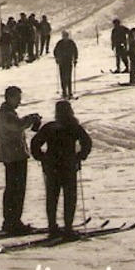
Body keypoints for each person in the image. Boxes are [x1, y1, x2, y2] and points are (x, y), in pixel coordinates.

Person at [30, 99, 92, 238]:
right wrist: (80, 156)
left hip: (52, 165)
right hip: (68, 165)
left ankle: (52, 227)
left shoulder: (50, 127)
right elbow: (87, 143)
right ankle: (68, 228)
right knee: (70, 197)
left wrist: (42, 157)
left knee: (52, 197)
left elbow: (35, 143)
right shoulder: (74, 126)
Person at [0, 87, 43, 235]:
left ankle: (12, 220)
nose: (19, 101)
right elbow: (17, 125)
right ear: (9, 98)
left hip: (13, 155)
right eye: (17, 98)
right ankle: (13, 222)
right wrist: (30, 119)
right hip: (13, 155)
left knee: (14, 189)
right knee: (16, 189)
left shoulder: (8, 113)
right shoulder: (6, 114)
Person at [53, 30, 79, 98]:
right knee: (62, 77)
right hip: (62, 62)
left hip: (68, 61)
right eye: (64, 36)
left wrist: (75, 59)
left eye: (66, 36)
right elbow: (55, 51)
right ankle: (64, 91)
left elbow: (75, 51)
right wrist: (57, 58)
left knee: (68, 77)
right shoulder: (60, 43)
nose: (65, 37)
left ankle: (69, 92)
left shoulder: (71, 43)